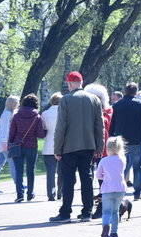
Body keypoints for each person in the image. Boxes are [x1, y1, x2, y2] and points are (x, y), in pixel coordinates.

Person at [50, 71, 105, 223]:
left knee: (68, 180)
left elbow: (61, 126)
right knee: (87, 179)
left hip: (69, 146)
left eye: (68, 83)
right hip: (88, 145)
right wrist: (100, 146)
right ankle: (87, 211)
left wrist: (57, 148)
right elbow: (100, 126)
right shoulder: (94, 99)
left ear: (70, 83)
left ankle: (66, 212)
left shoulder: (66, 100)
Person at [110, 82, 141, 201]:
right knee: (137, 167)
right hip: (136, 139)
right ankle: (137, 192)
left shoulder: (117, 105)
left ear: (125, 91)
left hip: (121, 140)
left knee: (120, 166)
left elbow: (113, 123)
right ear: (135, 92)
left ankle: (119, 189)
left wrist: (111, 137)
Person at [8, 93, 47, 202]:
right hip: (31, 146)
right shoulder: (37, 117)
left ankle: (20, 194)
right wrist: (45, 131)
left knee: (18, 170)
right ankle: (30, 193)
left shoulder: (16, 115)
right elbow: (40, 135)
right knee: (30, 170)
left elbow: (12, 133)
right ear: (35, 104)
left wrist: (9, 144)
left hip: (17, 145)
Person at [85, 83, 113, 219]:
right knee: (88, 179)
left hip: (104, 151)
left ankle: (102, 207)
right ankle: (90, 206)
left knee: (103, 181)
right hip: (89, 148)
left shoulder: (108, 112)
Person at [95, 136, 127, 237]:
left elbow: (98, 175)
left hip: (107, 189)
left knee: (106, 211)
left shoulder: (104, 161)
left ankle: (105, 228)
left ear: (107, 149)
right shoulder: (122, 160)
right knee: (115, 211)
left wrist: (105, 176)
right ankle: (114, 233)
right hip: (120, 189)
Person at [41, 92, 63, 201]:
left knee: (50, 172)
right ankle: (60, 192)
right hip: (62, 146)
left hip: (48, 145)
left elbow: (43, 128)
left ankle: (51, 193)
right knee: (61, 171)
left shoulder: (45, 114)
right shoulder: (64, 113)